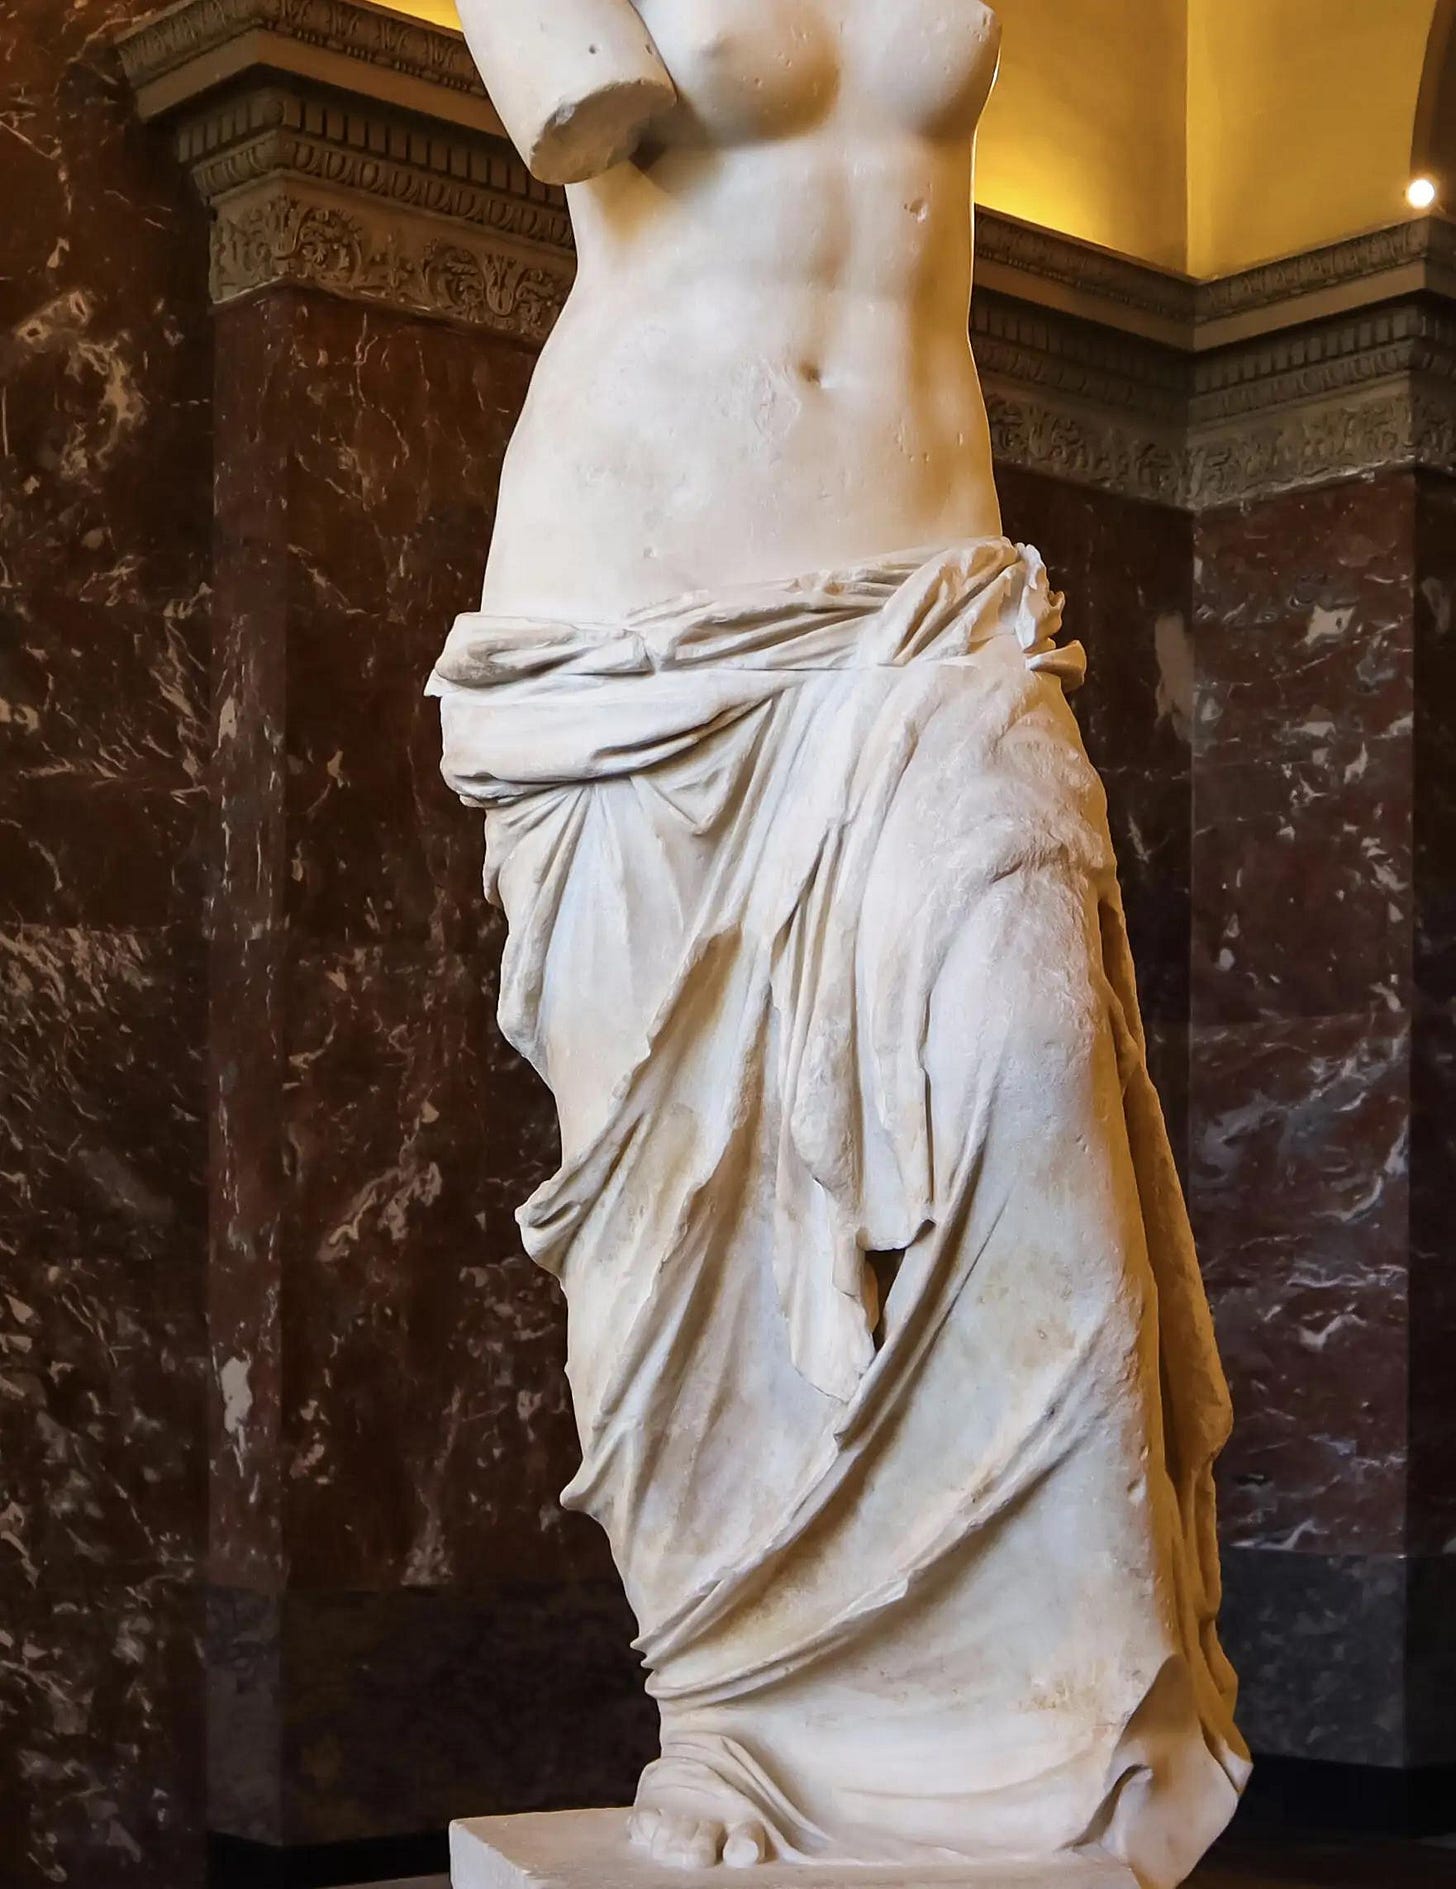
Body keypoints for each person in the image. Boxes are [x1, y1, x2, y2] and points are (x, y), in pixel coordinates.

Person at [427, 4, 1248, 1882]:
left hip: (934, 613)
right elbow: (580, 105)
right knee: (685, 1221)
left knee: (1035, 1055)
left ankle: (1054, 1705)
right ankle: (731, 1700)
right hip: (648, 622)